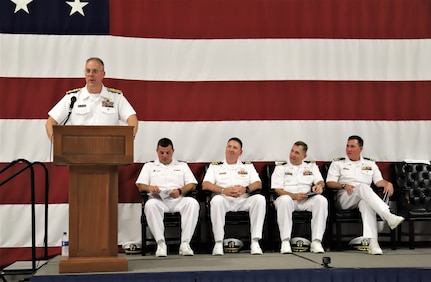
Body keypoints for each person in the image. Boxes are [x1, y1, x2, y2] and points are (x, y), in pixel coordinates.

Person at [326, 135, 404, 255]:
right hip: (345, 197)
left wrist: (388, 183)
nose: (348, 149)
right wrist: (343, 186)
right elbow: (329, 183)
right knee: (363, 187)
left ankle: (373, 244)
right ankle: (387, 215)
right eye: (347, 146)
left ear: (360, 149)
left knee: (365, 203)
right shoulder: (338, 163)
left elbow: (379, 182)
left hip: (364, 197)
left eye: (352, 146)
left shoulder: (370, 164)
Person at [45, 57, 138, 139]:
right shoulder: (73, 98)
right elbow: (50, 122)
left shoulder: (115, 97)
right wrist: (57, 142)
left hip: (109, 152)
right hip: (78, 152)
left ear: (103, 74)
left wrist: (129, 139)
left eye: (95, 71)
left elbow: (132, 118)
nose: (91, 75)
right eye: (88, 71)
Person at [136, 138, 199, 257]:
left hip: (178, 199)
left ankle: (185, 244)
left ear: (173, 151)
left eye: (167, 153)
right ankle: (161, 244)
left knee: (192, 203)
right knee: (150, 205)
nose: (164, 156)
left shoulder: (182, 165)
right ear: (157, 151)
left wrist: (180, 191)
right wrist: (150, 188)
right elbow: (140, 186)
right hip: (158, 200)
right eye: (161, 153)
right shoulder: (149, 166)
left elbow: (192, 184)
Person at [202, 137, 266, 256]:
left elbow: (258, 183)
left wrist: (245, 189)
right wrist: (223, 190)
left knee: (259, 199)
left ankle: (255, 242)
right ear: (226, 149)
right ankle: (218, 243)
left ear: (240, 152)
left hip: (243, 200)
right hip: (224, 200)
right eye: (229, 146)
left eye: (235, 148)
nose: (231, 150)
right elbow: (205, 185)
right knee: (216, 200)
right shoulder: (215, 166)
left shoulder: (247, 166)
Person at [271, 141, 327, 254]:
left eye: (297, 153)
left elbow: (321, 181)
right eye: (292, 151)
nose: (292, 154)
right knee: (285, 200)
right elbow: (277, 189)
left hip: (306, 200)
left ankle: (316, 241)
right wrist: (293, 196)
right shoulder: (281, 168)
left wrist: (319, 186)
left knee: (321, 200)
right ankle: (285, 241)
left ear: (304, 156)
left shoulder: (311, 167)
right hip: (288, 199)